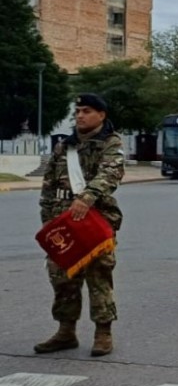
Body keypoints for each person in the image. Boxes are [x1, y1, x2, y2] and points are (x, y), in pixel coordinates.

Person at [34, 93, 125, 357]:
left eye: (86, 111)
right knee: (62, 278)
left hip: (95, 218)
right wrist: (48, 222)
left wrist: (86, 197)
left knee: (99, 276)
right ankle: (66, 331)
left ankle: (103, 332)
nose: (80, 116)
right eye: (78, 112)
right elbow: (48, 185)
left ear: (101, 115)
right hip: (63, 218)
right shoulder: (65, 146)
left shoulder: (110, 142)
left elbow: (111, 173)